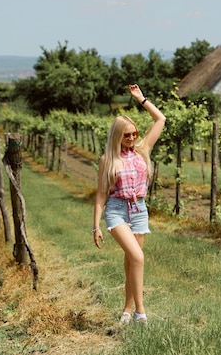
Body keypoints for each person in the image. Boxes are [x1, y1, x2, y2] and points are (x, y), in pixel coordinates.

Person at [92, 84, 166, 325]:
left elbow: (160, 119)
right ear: (117, 136)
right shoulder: (108, 159)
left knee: (131, 265)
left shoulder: (143, 150)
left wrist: (141, 99)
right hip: (116, 211)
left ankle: (125, 311)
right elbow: (101, 194)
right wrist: (96, 226)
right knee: (138, 258)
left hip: (139, 211)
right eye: (127, 135)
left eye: (134, 133)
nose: (132, 138)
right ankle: (140, 313)